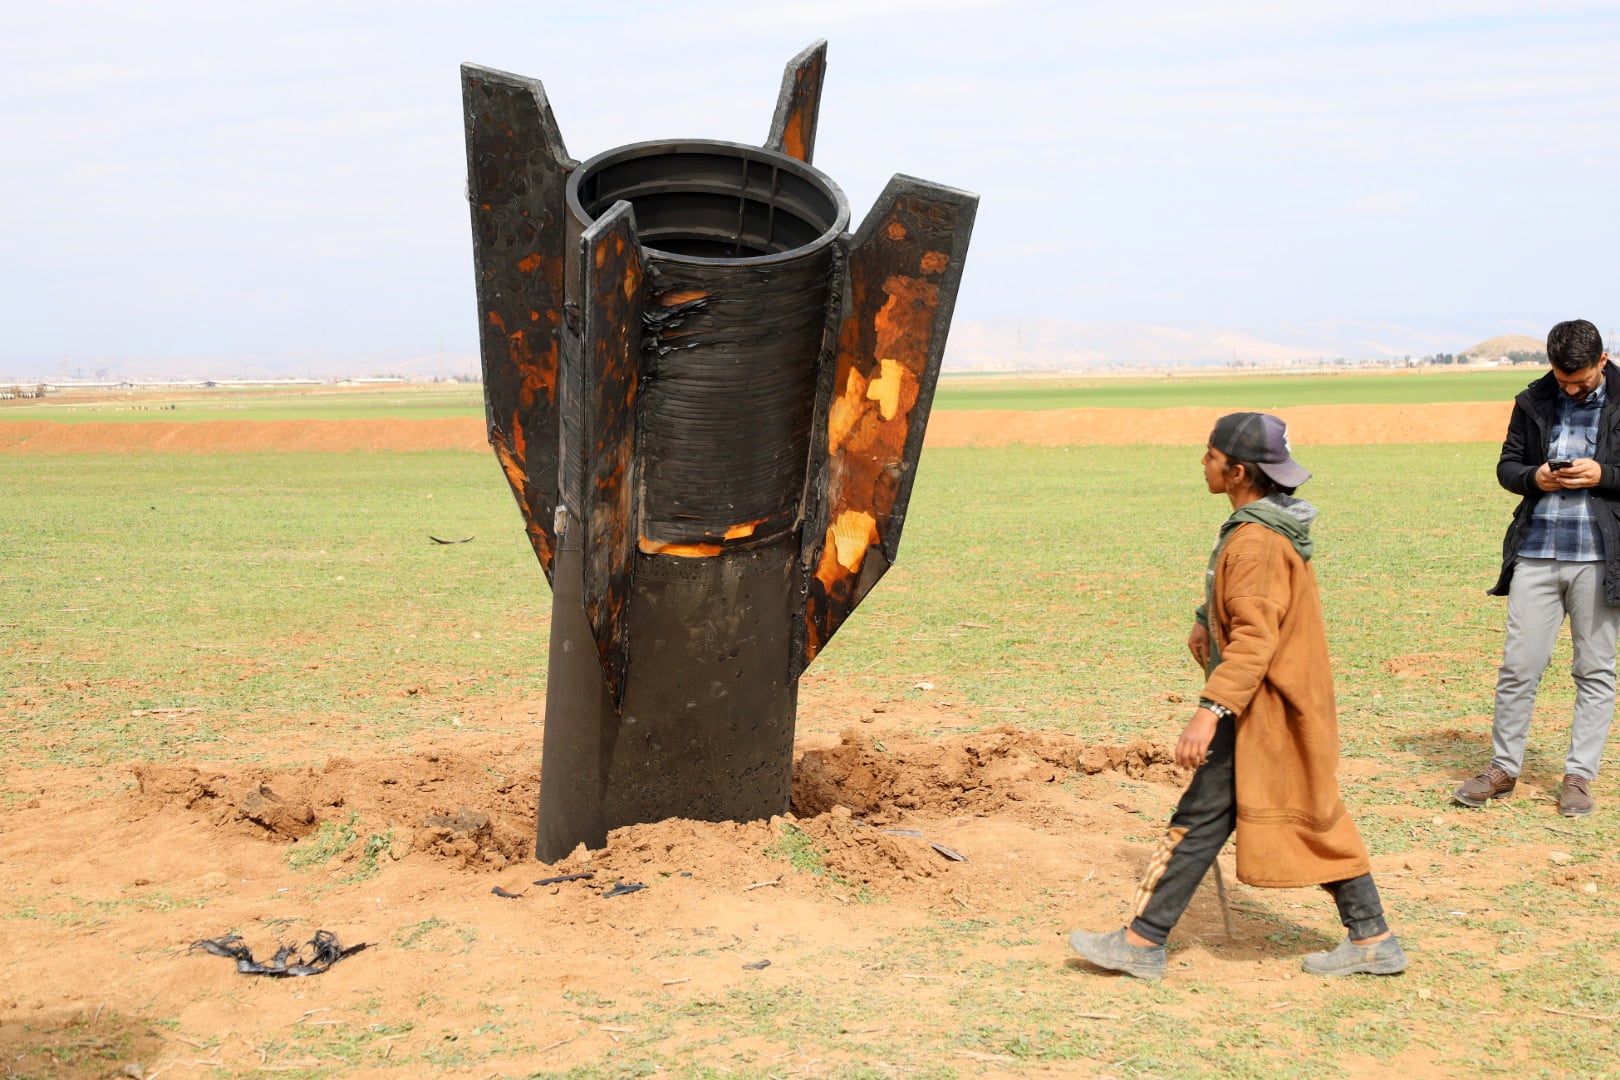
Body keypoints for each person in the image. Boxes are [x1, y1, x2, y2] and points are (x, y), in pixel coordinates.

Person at [1069, 412, 1405, 980]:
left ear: (1238, 472)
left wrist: (1209, 712)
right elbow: (1247, 602)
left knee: (1227, 816)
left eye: (1211, 456)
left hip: (1260, 707)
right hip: (1262, 703)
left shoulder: (1256, 542)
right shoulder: (1260, 529)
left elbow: (1254, 637)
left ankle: (1141, 941)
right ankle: (1371, 936)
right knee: (1240, 816)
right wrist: (1206, 618)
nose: (1203, 463)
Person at [1454, 319, 1620, 818]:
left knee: (1594, 670)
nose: (1569, 389)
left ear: (1602, 360)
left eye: (1580, 381)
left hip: (1602, 557)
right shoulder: (1532, 400)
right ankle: (1503, 768)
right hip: (1537, 552)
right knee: (1519, 667)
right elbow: (1507, 465)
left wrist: (1604, 474)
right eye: (1562, 379)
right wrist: (1535, 477)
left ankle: (1578, 777)